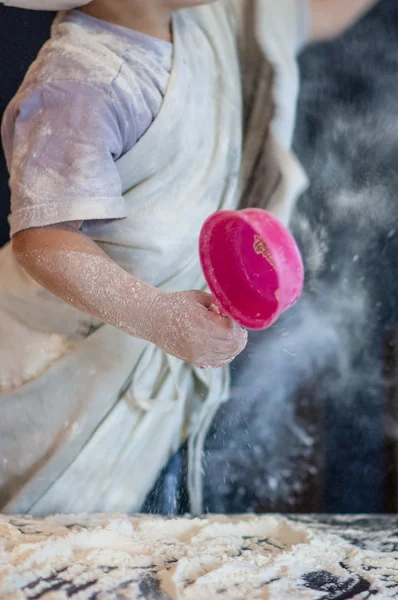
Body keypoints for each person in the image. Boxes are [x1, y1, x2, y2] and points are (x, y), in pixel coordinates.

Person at [0, 0, 378, 516]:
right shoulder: (80, 80)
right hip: (59, 373)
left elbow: (312, 11)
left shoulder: (208, 22)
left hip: (155, 376)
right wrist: (156, 314)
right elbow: (42, 240)